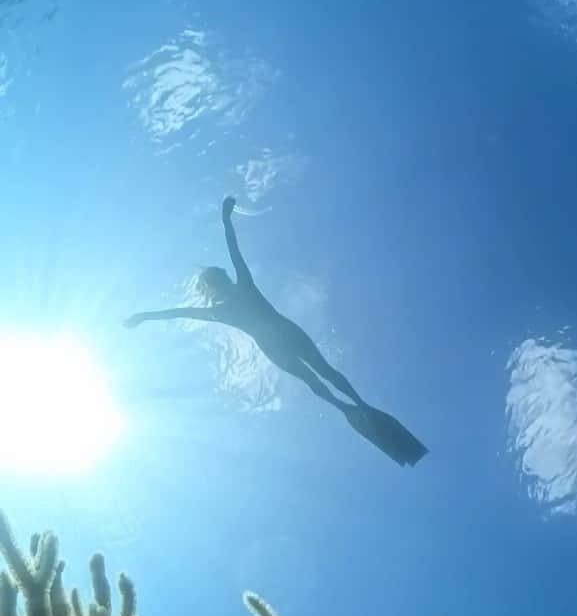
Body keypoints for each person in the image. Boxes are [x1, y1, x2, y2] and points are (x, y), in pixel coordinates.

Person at [123, 197, 428, 466]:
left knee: (323, 370)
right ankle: (345, 407)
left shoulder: (242, 285)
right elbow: (178, 312)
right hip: (275, 344)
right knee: (312, 377)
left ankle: (358, 405)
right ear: (216, 284)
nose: (225, 277)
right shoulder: (220, 308)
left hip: (284, 335)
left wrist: (226, 219)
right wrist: (144, 316)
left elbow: (233, 250)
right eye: (220, 278)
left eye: (221, 276)